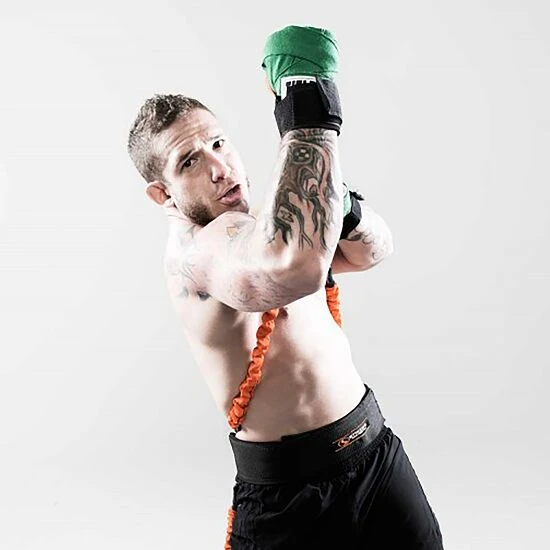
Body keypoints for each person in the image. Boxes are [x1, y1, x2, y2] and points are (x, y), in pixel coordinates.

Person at [127, 25, 443, 550]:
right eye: (190, 161)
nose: (218, 167)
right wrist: (308, 106)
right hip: (289, 501)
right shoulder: (195, 255)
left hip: (376, 456)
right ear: (163, 194)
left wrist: (344, 206)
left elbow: (374, 250)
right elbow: (291, 269)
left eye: (218, 143)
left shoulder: (273, 223)